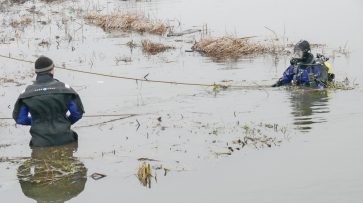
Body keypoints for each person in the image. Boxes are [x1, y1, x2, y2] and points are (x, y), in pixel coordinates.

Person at [12, 56, 85, 147]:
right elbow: (77, 113)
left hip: (39, 142)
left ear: (36, 72)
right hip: (66, 139)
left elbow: (20, 119)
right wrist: (63, 122)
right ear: (51, 70)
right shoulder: (65, 89)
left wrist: (37, 121)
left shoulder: (26, 93)